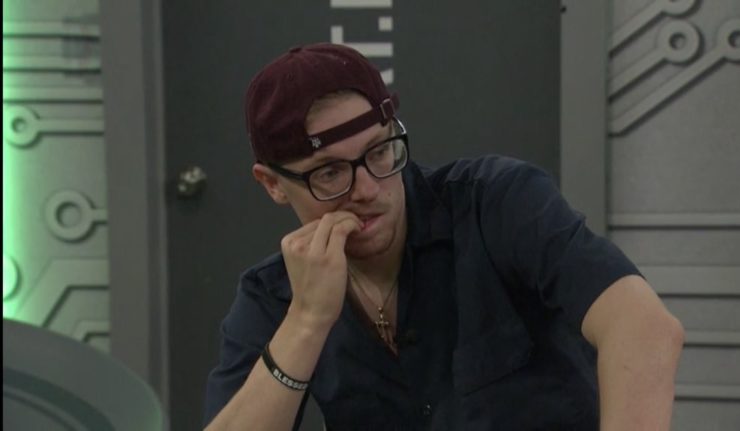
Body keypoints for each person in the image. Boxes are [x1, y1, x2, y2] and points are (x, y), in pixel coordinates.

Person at [203, 43, 684, 431]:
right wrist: (306, 323)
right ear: (272, 185)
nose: (367, 189)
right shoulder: (272, 296)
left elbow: (643, 328)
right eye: (329, 173)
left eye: (380, 151)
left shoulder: (495, 203)